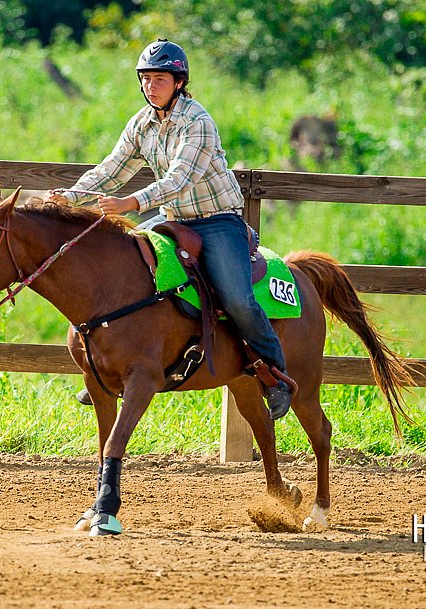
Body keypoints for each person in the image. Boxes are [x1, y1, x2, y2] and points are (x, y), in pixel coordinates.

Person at [44, 38, 292, 420]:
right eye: (145, 79)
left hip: (217, 220)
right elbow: (112, 169)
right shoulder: (141, 123)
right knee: (123, 265)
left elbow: (181, 178)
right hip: (174, 219)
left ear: (179, 82)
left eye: (160, 78)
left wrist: (132, 203)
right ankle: (109, 369)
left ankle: (275, 375)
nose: (150, 86)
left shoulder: (198, 122)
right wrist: (70, 196)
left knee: (239, 298)